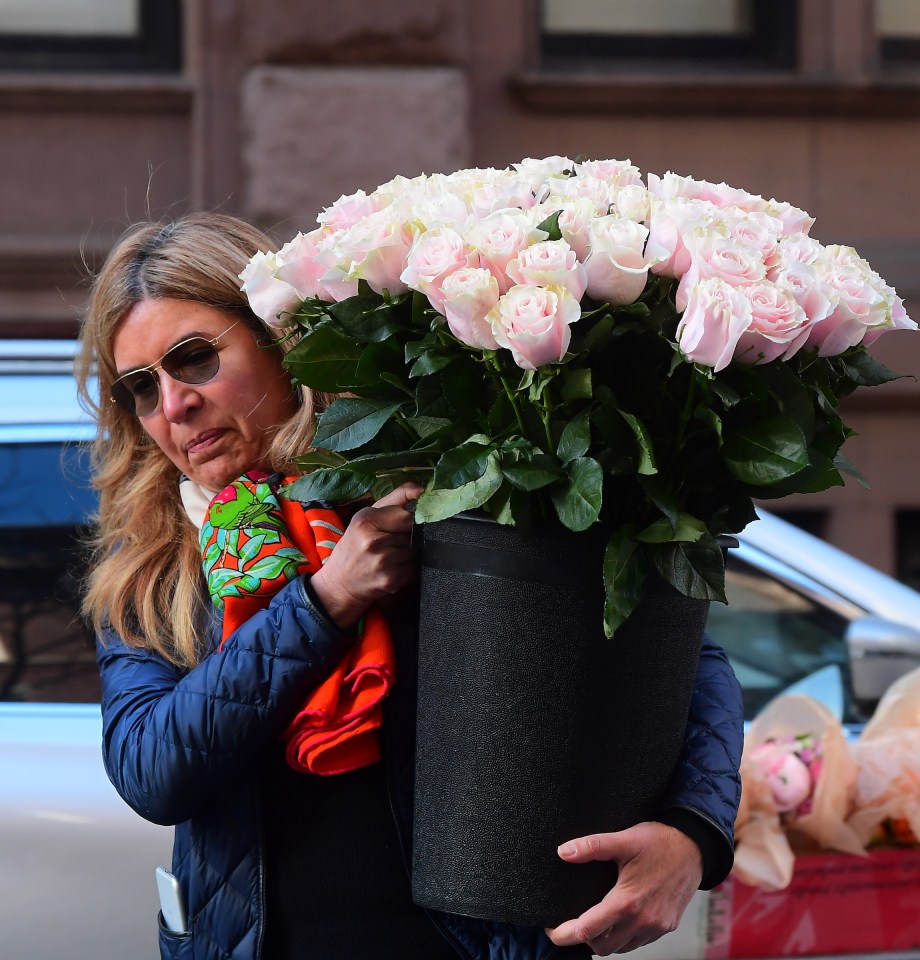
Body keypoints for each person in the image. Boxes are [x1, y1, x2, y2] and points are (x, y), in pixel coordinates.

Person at [75, 212, 744, 960]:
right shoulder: (154, 566)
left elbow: (676, 653)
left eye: (193, 359)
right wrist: (325, 602)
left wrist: (694, 832)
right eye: (140, 387)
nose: (172, 405)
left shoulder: (427, 480)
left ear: (275, 336)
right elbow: (151, 770)